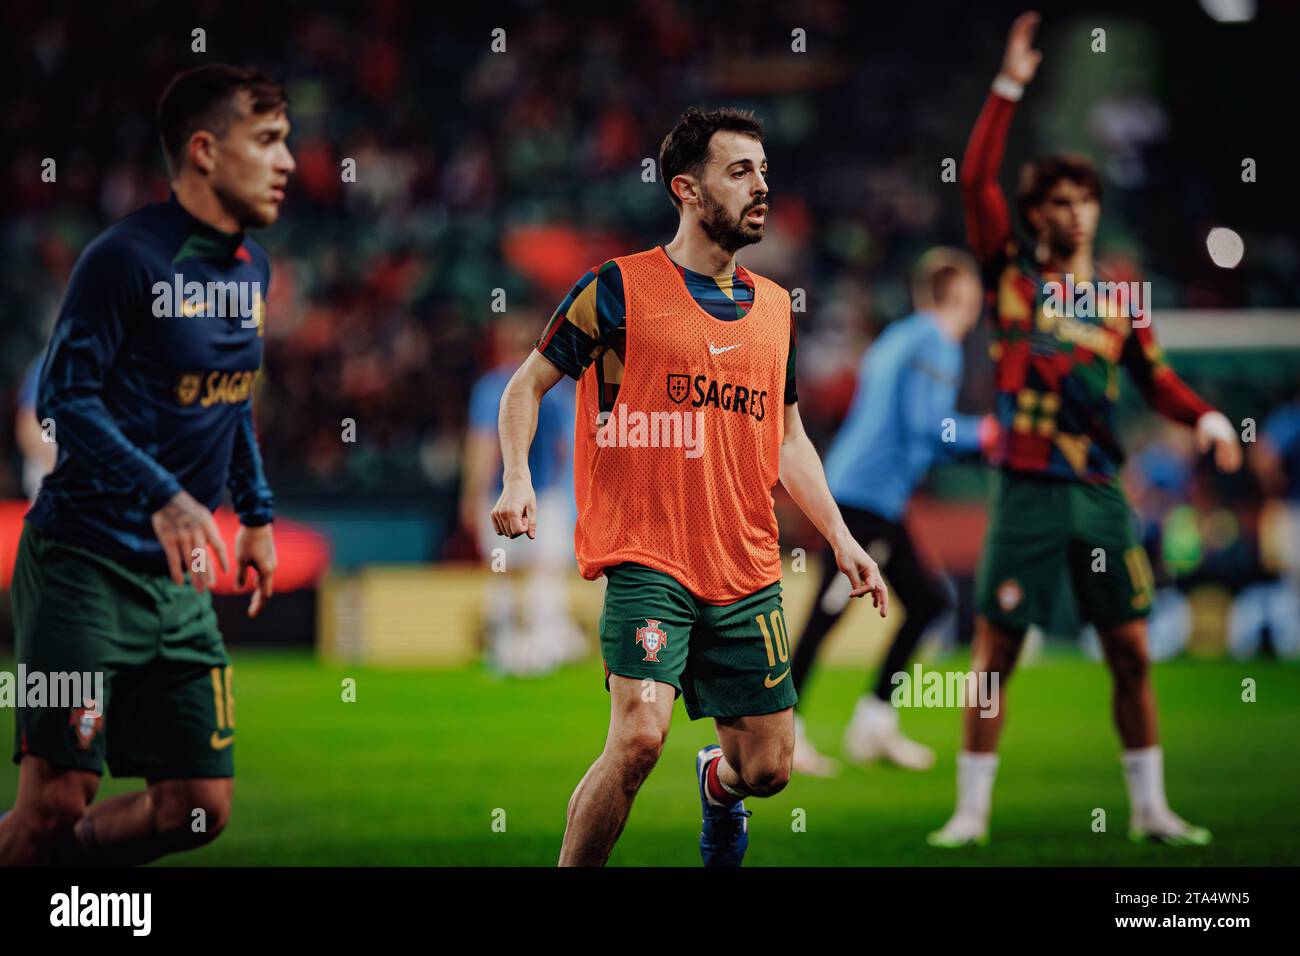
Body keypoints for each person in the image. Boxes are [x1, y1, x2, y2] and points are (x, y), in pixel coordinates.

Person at [492, 107, 888, 867]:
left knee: (768, 769)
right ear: (686, 188)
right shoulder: (616, 288)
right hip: (647, 557)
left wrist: (841, 539)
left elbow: (789, 438)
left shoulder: (775, 309)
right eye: (740, 172)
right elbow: (525, 386)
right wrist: (516, 477)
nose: (761, 186)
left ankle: (719, 784)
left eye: (764, 171)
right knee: (640, 735)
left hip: (745, 567)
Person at [929, 12, 1242, 848]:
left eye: (1084, 200)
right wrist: (1009, 86)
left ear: (1097, 209)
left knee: (1132, 651)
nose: (1073, 213)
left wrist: (1206, 414)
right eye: (1058, 201)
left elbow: (1156, 379)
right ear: (1034, 215)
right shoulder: (1009, 278)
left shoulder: (1121, 296)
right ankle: (970, 812)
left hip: (1102, 490)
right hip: (1026, 489)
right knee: (994, 654)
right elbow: (975, 185)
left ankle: (1148, 809)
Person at [0, 64, 292, 865]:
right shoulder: (123, 259)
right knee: (55, 801)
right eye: (266, 141)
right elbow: (64, 396)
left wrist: (257, 514)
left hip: (177, 580)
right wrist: (165, 495)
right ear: (204, 151)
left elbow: (228, 399)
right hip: (81, 567)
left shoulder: (252, 271)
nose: (289, 161)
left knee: (197, 806)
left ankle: (64, 885)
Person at [790, 248, 992, 776]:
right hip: (866, 499)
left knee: (927, 601)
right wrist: (986, 434)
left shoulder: (897, 337)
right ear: (961, 297)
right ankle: (784, 732)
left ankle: (874, 723)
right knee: (828, 612)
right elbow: (930, 425)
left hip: (871, 494)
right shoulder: (936, 343)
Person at [463, 313, 582, 675]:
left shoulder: (492, 386)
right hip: (545, 494)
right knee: (544, 571)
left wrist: (471, 497)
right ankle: (542, 649)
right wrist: (572, 499)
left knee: (503, 571)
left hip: (506, 493)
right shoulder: (556, 389)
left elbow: (483, 446)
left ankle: (505, 651)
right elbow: (571, 446)